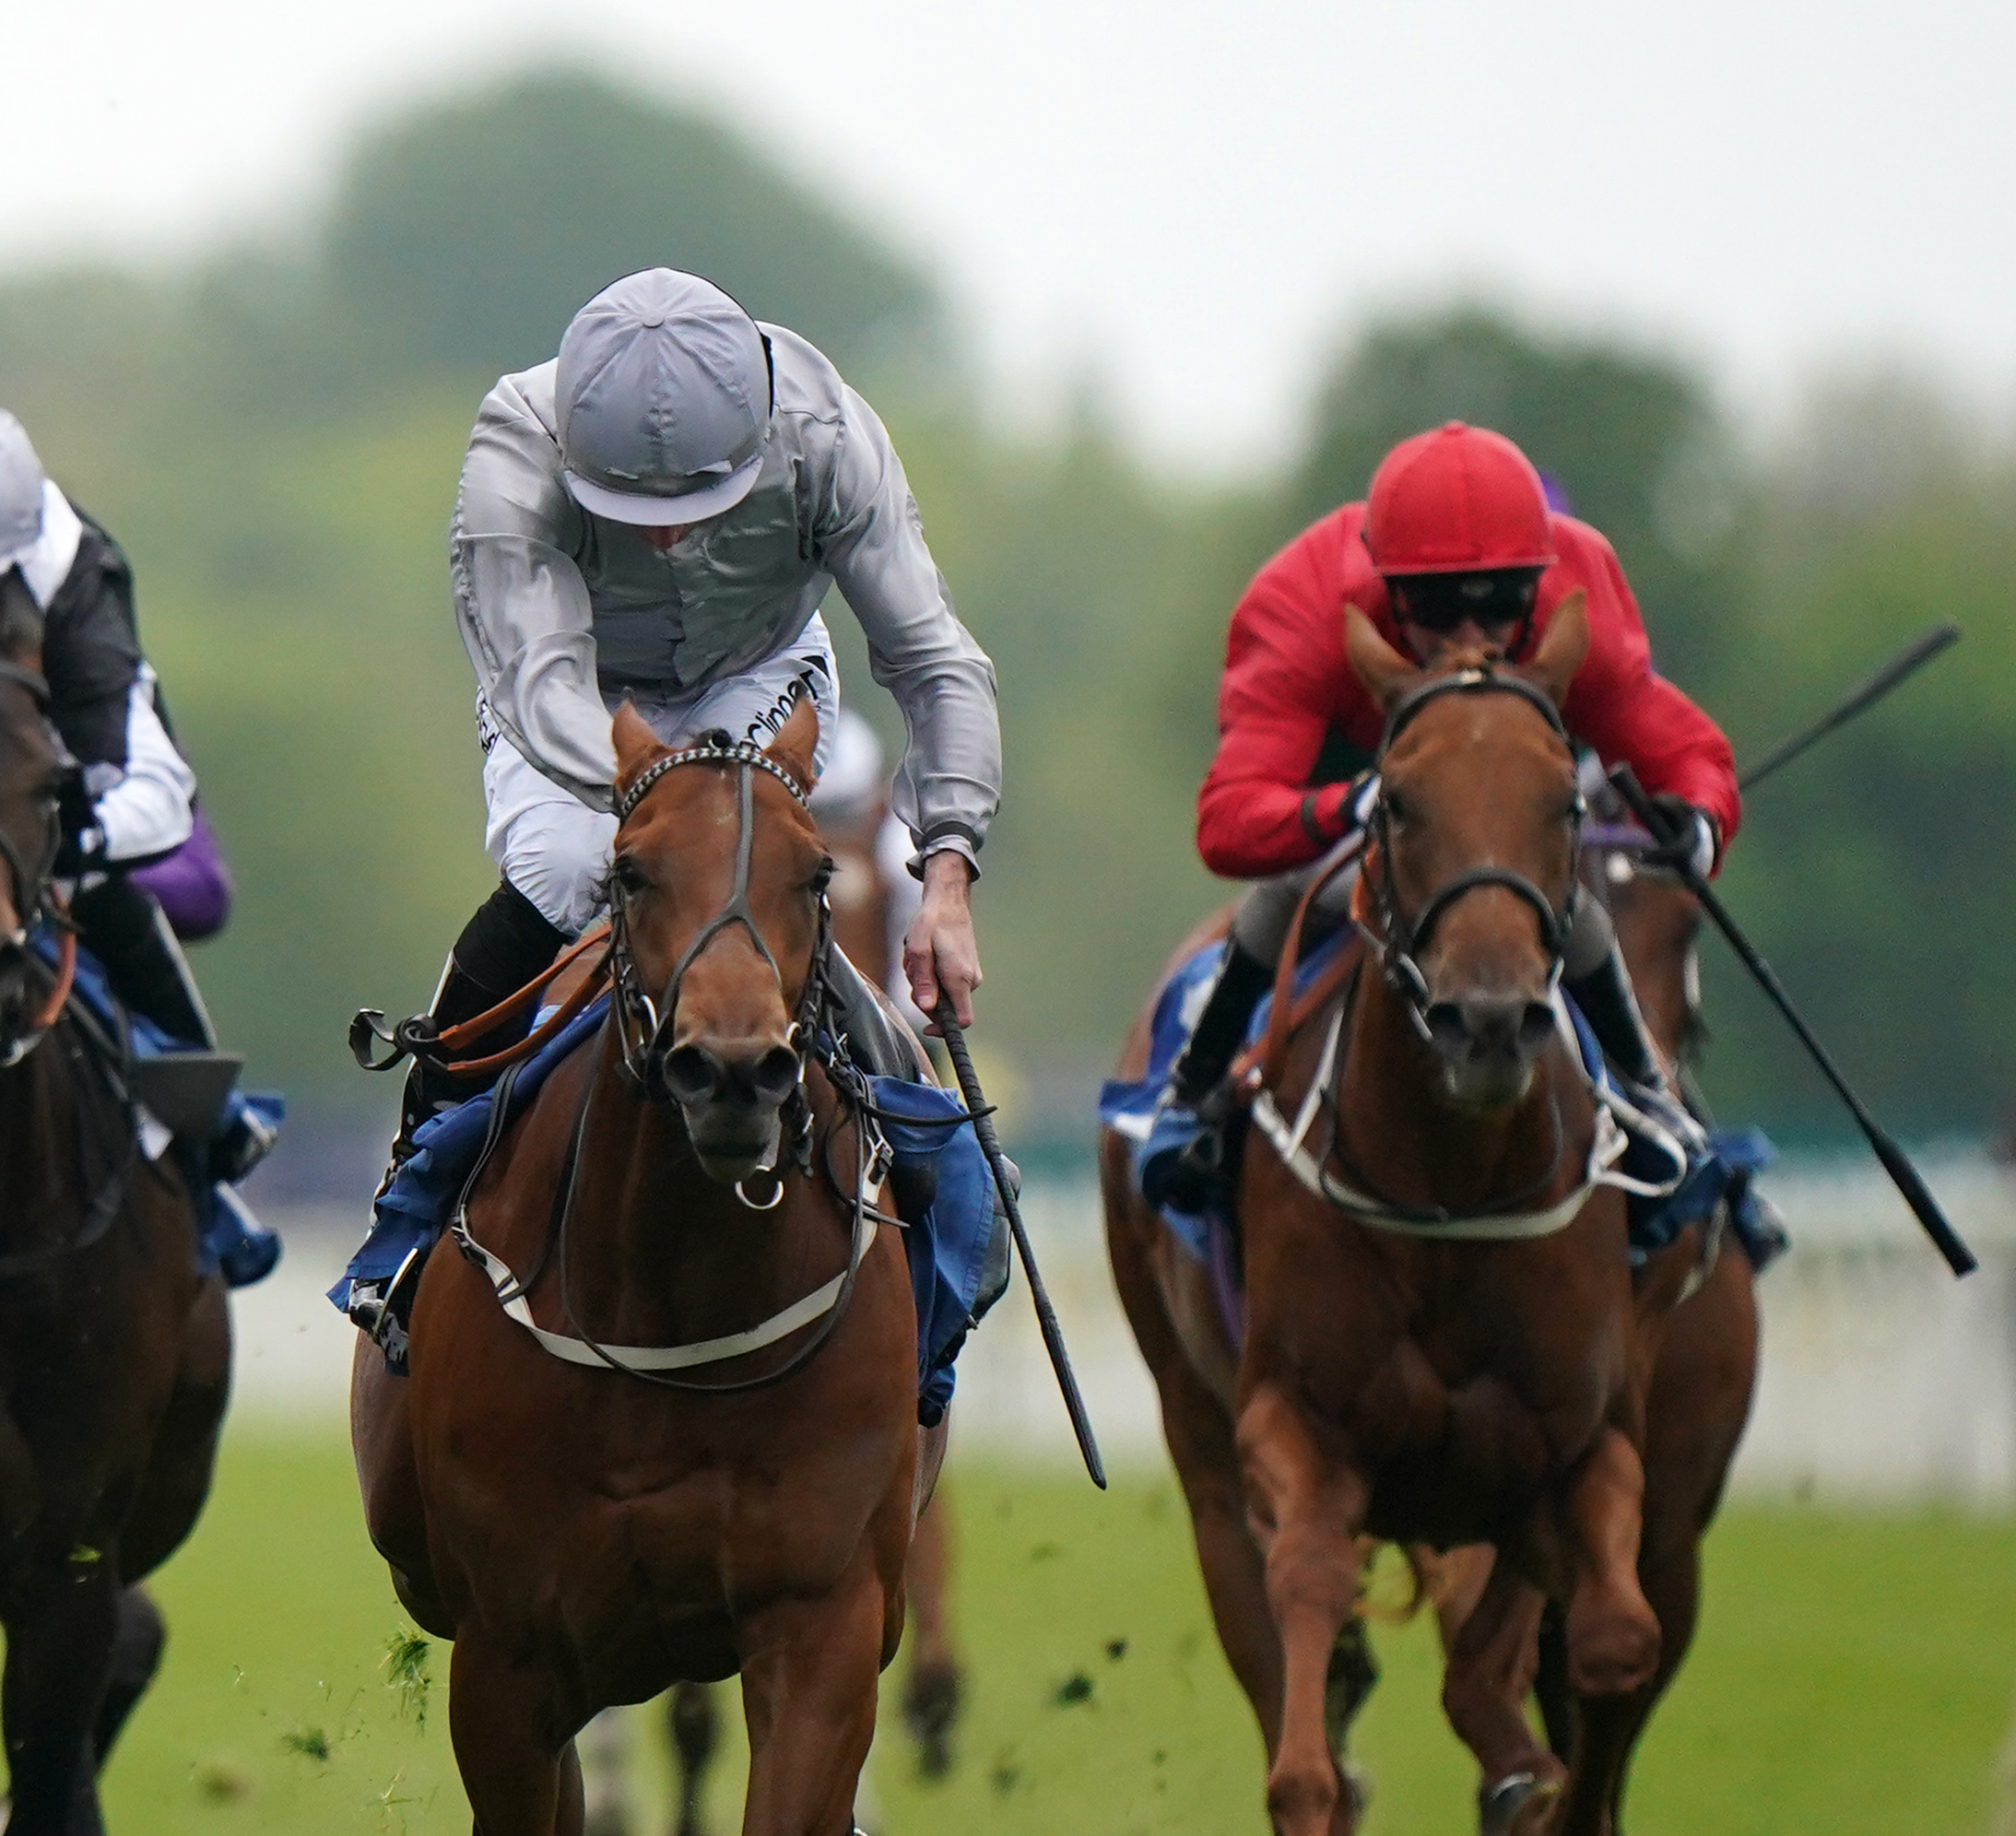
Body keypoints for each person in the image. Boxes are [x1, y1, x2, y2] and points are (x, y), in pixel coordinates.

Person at [407, 265, 1001, 1136]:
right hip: (579, 697)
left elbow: (935, 658)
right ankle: (415, 1169)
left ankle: (932, 1179)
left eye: (696, 505)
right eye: (626, 507)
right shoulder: (514, 445)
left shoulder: (827, 432)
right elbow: (539, 681)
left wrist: (947, 879)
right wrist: (667, 794)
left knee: (765, 874)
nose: (663, 535)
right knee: (567, 870)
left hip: (760, 669)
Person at [1145, 420, 1739, 1206]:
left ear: (1540, 581)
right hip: (1350, 782)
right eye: (1434, 609)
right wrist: (1350, 804)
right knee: (1285, 892)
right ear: (1385, 589)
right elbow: (1229, 818)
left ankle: (1650, 1099)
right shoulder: (1305, 601)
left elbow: (1688, 751)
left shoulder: (1580, 583)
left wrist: (1696, 821)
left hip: (1497, 795)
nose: (1470, 640)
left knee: (1569, 902)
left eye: (1498, 609)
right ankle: (1191, 1103)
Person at [0, 394, 268, 1179]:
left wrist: (62, 844)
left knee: (189, 894)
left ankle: (202, 1122)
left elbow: (154, 787)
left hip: (41, 788)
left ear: (17, 562)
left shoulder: (74, 574)